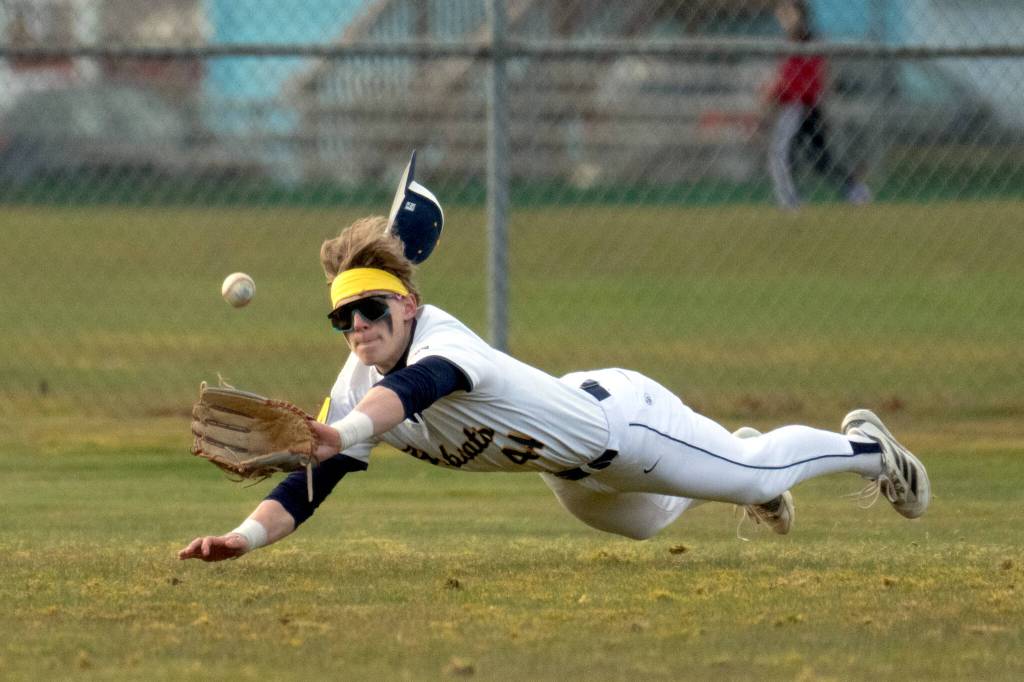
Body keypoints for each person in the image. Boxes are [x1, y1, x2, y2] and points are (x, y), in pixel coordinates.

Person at [178, 215, 929, 562]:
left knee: (754, 477)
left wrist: (338, 433)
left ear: (406, 304)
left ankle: (869, 449)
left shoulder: (443, 342)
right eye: (342, 319)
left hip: (624, 422)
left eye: (371, 309)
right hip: (568, 473)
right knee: (648, 525)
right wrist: (240, 539)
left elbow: (417, 392)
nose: (358, 327)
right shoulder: (352, 387)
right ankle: (733, 457)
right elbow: (312, 482)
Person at [762, 0, 871, 209]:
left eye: (788, 13)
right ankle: (852, 190)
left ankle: (790, 199)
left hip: (801, 106)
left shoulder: (807, 42)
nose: (783, 18)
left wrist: (779, 88)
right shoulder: (789, 43)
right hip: (798, 105)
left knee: (787, 154)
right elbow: (787, 76)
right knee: (814, 156)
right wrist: (777, 88)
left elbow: (807, 79)